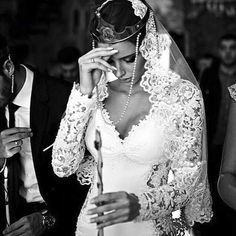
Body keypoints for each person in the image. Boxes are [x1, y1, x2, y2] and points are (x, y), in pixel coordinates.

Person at [52, 0, 212, 235]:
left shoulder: (182, 96)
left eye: (128, 59)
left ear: (148, 44)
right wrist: (83, 94)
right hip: (93, 228)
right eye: (110, 60)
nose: (118, 71)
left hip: (151, 228)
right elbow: (62, 166)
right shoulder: (94, 92)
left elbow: (189, 181)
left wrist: (140, 204)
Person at [0, 34, 89, 236]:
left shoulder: (64, 99)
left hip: (61, 222)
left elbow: (87, 178)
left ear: (8, 68)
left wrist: (48, 218)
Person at [200, 34, 236, 236]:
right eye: (225, 48)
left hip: (230, 144)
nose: (229, 52)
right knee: (214, 188)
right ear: (219, 51)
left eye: (233, 47)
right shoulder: (209, 75)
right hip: (213, 141)